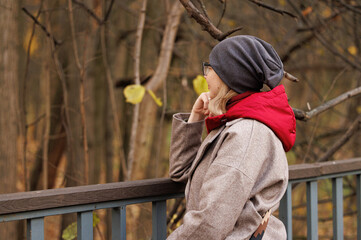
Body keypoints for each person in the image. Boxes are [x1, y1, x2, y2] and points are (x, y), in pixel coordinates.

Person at [167, 35, 296, 240]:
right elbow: (182, 173)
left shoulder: (246, 134)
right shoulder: (235, 124)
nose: (206, 75)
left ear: (228, 76)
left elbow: (210, 223)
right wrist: (195, 119)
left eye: (211, 68)